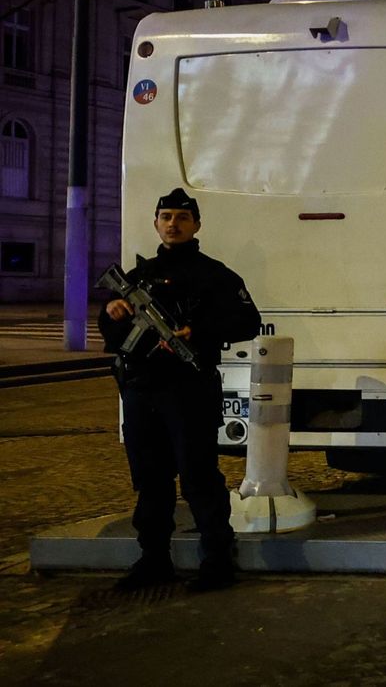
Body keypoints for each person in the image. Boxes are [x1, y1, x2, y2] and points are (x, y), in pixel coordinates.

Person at [99, 187, 260, 593]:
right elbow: (113, 333)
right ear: (156, 223)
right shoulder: (138, 277)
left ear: (196, 225)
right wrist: (112, 312)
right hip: (141, 390)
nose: (173, 224)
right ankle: (153, 560)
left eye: (182, 218)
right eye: (166, 217)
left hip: (188, 390)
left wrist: (197, 331)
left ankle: (217, 562)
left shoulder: (215, 275)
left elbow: (248, 322)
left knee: (198, 478)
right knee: (150, 480)